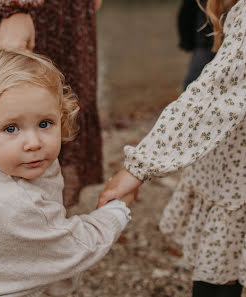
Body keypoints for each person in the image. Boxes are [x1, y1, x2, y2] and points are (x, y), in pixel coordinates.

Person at [0, 48, 134, 297]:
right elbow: (77, 245)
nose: (33, 142)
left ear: (61, 119)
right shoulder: (19, 205)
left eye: (44, 124)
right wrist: (117, 210)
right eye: (11, 128)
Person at [98, 0, 245, 296]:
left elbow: (208, 101)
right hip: (230, 163)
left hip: (235, 179)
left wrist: (137, 167)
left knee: (219, 274)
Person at [0, 0, 104, 206]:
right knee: (19, 102)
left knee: (61, 101)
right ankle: (21, 212)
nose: (34, 143)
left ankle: (53, 211)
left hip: (71, 12)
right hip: (37, 11)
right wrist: (14, 8)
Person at [178, 0, 216, 89]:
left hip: (215, 43)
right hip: (205, 42)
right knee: (192, 82)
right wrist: (186, 39)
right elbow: (186, 13)